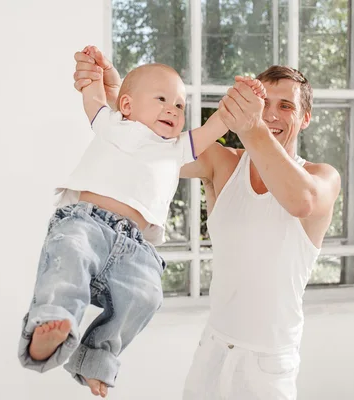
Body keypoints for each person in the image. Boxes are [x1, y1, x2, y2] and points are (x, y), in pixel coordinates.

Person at [74, 51, 341, 399]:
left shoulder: (322, 177)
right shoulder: (223, 163)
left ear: (305, 118)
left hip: (270, 364)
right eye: (265, 104)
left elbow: (300, 201)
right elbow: (148, 144)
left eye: (286, 106)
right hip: (212, 349)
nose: (272, 114)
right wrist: (114, 92)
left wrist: (251, 124)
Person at [18, 46, 266, 398]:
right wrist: (93, 70)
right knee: (68, 261)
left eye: (180, 105)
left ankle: (94, 359)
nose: (173, 109)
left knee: (146, 296)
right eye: (162, 98)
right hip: (85, 223)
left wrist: (241, 98)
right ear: (128, 105)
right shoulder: (113, 123)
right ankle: (51, 324)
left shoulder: (178, 147)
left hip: (136, 247)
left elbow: (218, 124)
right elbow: (92, 93)